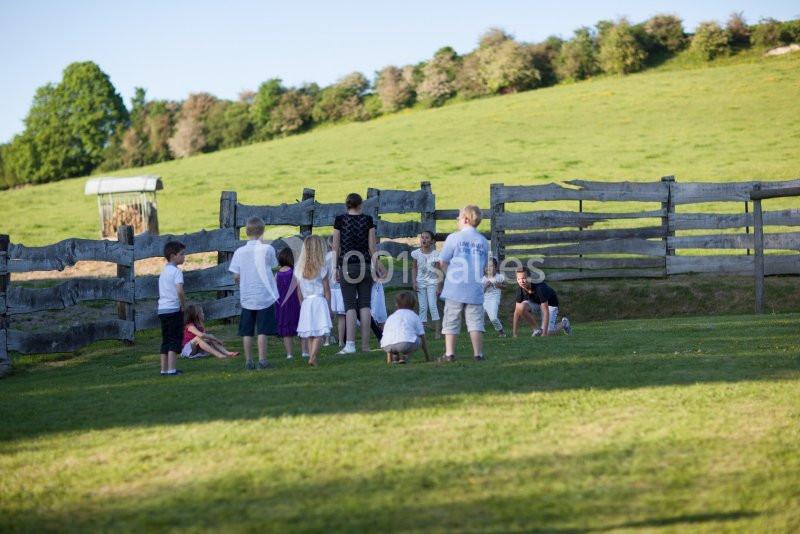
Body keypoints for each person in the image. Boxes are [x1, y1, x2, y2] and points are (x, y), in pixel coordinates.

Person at [332, 192, 385, 354]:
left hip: (347, 265)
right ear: (360, 204)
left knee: (349, 306)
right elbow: (372, 247)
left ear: (347, 205)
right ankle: (366, 346)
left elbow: (335, 246)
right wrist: (378, 265)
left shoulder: (340, 220)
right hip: (365, 265)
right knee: (365, 305)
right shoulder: (367, 220)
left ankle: (350, 344)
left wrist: (335, 268)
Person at [438, 205, 490, 362]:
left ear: (466, 219)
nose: (457, 220)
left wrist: (451, 275)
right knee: (475, 321)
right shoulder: (482, 241)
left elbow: (443, 261)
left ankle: (449, 353)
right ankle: (478, 354)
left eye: (459, 217)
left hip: (455, 287)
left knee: (451, 319)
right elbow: (485, 265)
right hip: (474, 286)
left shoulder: (454, 238)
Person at [229, 216, 279, 370]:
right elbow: (273, 265)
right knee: (262, 330)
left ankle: (249, 361)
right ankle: (263, 360)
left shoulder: (239, 252)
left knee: (247, 331)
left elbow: (235, 275)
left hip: (247, 296)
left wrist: (242, 280)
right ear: (262, 231)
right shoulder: (268, 249)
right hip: (264, 296)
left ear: (246, 231)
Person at [295, 235, 332, 366]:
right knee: (319, 333)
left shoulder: (299, 269)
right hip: (319, 301)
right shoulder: (322, 268)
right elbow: (327, 289)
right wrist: (329, 305)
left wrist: (301, 304)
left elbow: (299, 291)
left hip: (306, 302)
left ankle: (312, 357)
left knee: (311, 332)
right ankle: (312, 357)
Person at [513, 266, 572, 337]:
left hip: (550, 305)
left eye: (523, 278)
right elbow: (517, 312)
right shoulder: (520, 290)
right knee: (520, 307)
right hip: (537, 304)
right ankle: (536, 329)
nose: (521, 281)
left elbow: (545, 311)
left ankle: (564, 323)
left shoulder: (540, 288)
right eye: (518, 279)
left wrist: (544, 334)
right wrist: (514, 333)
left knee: (548, 333)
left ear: (529, 278)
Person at [158, 241, 187, 376]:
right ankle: (172, 369)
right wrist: (183, 305)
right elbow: (179, 291)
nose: (184, 257)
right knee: (175, 339)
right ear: (173, 256)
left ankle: (163, 370)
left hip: (162, 310)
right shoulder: (177, 272)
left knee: (166, 339)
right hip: (173, 310)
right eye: (181, 254)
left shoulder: (163, 272)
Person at [381, 291, 431, 364]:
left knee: (392, 337)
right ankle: (405, 356)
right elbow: (422, 337)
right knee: (419, 340)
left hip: (387, 345)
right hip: (405, 344)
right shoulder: (414, 316)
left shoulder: (391, 317)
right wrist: (427, 357)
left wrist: (389, 360)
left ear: (397, 304)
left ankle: (393, 358)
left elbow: (386, 335)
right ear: (414, 304)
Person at [411, 230, 442, 339]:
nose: (424, 239)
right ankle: (421, 333)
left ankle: (438, 332)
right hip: (421, 283)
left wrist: (439, 286)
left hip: (432, 283)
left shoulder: (436, 254)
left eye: (427, 238)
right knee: (423, 307)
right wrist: (414, 281)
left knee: (432, 305)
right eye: (422, 237)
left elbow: (439, 271)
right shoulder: (416, 254)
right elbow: (414, 268)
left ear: (432, 241)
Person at [275, 247, 302, 359]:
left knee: (286, 331)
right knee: (301, 328)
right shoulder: (294, 272)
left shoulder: (277, 274)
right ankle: (304, 351)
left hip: (282, 305)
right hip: (295, 303)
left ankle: (289, 354)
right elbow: (299, 288)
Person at [325, 239, 346, 348]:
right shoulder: (344, 256)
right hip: (341, 289)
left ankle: (328, 339)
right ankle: (341, 341)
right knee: (341, 316)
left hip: (330, 289)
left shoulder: (327, 257)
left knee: (328, 316)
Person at [482, 257, 507, 337]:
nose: (489, 268)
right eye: (487, 266)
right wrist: (485, 286)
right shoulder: (482, 279)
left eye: (491, 266)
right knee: (478, 317)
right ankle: (478, 334)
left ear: (496, 267)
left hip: (494, 299)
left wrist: (499, 285)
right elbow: (480, 292)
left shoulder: (500, 277)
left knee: (493, 318)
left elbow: (505, 286)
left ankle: (501, 331)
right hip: (483, 300)